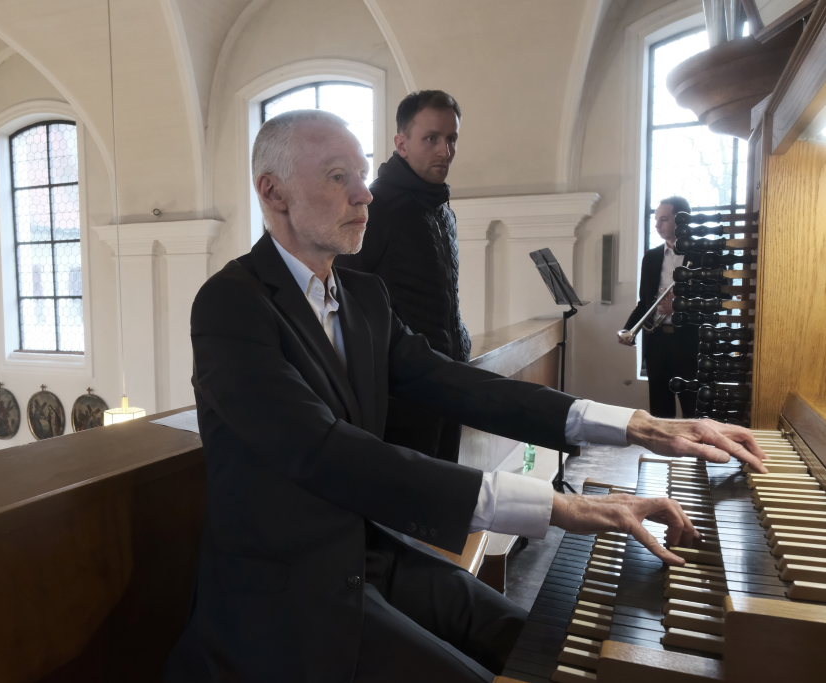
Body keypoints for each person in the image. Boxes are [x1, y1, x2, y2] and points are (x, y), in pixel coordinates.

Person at [165, 111, 766, 683]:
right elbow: (323, 451)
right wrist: (560, 508)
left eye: (363, 174)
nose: (365, 195)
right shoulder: (230, 304)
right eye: (338, 177)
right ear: (274, 192)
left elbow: (458, 384)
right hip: (284, 594)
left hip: (369, 556)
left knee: (543, 644)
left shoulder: (365, 297)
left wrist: (636, 424)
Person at [337, 90, 469, 462]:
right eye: (431, 138)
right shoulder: (376, 207)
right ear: (402, 143)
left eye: (451, 138)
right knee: (412, 492)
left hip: (447, 379)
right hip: (401, 393)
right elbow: (346, 298)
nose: (445, 151)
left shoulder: (441, 209)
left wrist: (459, 346)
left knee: (446, 485)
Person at [619, 196, 700, 418]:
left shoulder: (701, 254)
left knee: (693, 408)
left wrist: (680, 307)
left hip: (689, 343)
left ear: (681, 220)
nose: (657, 225)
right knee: (660, 411)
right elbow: (645, 303)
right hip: (657, 343)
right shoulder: (651, 257)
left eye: (663, 219)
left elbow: (713, 302)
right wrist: (629, 329)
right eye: (656, 219)